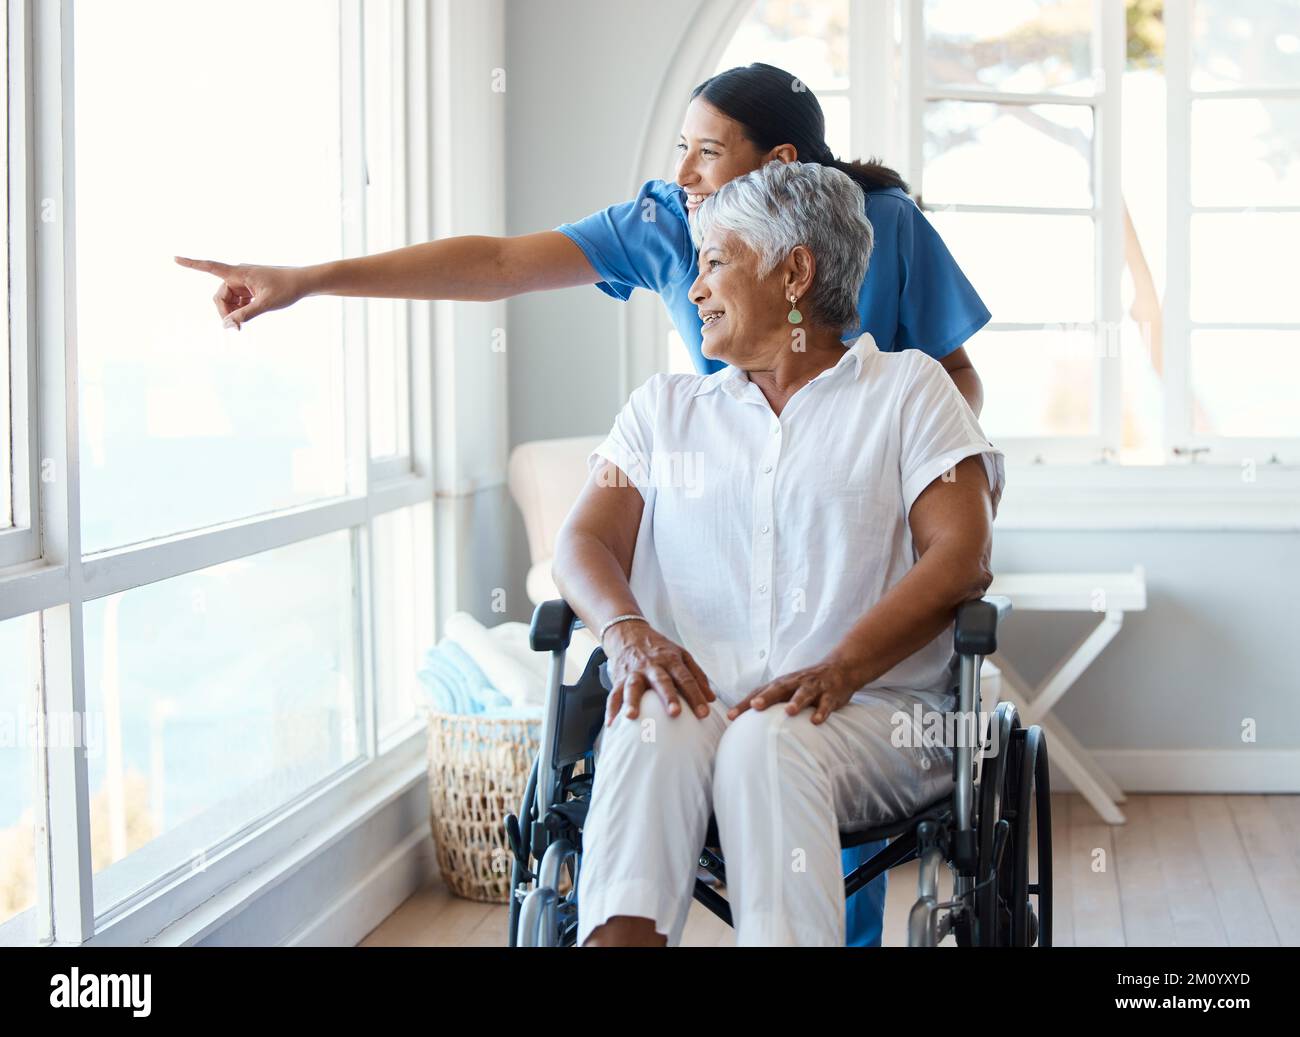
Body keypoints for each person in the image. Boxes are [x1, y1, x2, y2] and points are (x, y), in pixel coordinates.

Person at [174, 61, 993, 946]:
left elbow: (954, 485)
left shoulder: (897, 316)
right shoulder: (666, 350)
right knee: (652, 720)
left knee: (781, 757)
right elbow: (496, 265)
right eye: (681, 150)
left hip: (854, 668)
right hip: (717, 638)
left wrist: (875, 454)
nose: (696, 277)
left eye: (707, 153)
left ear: (780, 183)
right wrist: (308, 278)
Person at [552, 159, 1004, 946]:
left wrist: (843, 666)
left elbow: (959, 556)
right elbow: (584, 539)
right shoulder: (663, 409)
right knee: (652, 715)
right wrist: (627, 633)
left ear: (795, 270)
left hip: (871, 714)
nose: (694, 290)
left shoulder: (909, 391)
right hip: (695, 696)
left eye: (716, 262)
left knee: (769, 734)